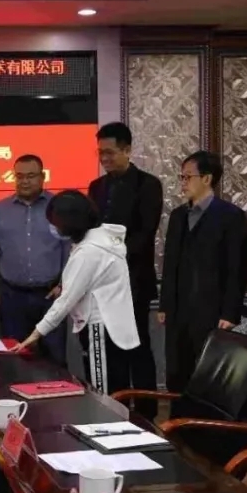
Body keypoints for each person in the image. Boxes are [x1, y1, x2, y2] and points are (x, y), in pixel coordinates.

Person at [12, 190, 140, 393]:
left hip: (99, 327)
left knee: (102, 393)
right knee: (116, 387)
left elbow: (66, 301)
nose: (53, 227)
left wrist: (36, 334)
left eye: (55, 222)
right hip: (113, 326)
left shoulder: (89, 251)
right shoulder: (105, 241)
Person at [88, 122, 164, 414]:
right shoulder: (97, 187)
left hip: (133, 281)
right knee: (111, 349)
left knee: (137, 346)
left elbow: (144, 234)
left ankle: (146, 413)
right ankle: (116, 408)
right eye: (100, 153)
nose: (104, 159)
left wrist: (110, 257)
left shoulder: (148, 185)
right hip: (103, 284)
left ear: (127, 150)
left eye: (109, 152)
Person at [159, 150, 247, 392]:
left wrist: (230, 313)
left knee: (206, 374)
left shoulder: (231, 217)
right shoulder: (178, 216)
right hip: (178, 310)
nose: (183, 183)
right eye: (181, 177)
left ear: (207, 179)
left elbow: (237, 268)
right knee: (177, 371)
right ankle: (177, 415)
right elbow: (170, 263)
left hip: (211, 310)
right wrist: (165, 305)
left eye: (187, 177)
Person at [0, 154, 69, 365]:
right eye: (19, 176)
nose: (24, 181)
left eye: (30, 176)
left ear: (43, 177)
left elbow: (70, 250)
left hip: (50, 296)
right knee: (14, 360)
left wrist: (64, 285)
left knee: (55, 359)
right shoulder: (0, 210)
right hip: (12, 297)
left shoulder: (58, 207)